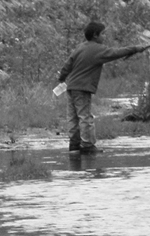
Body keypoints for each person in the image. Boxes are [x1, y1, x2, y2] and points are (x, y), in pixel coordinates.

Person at [58, 21, 144, 154]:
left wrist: (62, 78)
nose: (104, 37)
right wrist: (135, 49)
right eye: (103, 34)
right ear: (95, 35)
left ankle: (74, 145)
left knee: (73, 117)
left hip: (71, 87)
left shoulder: (80, 47)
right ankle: (87, 145)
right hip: (82, 88)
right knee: (85, 116)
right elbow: (116, 53)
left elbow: (68, 64)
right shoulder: (99, 49)